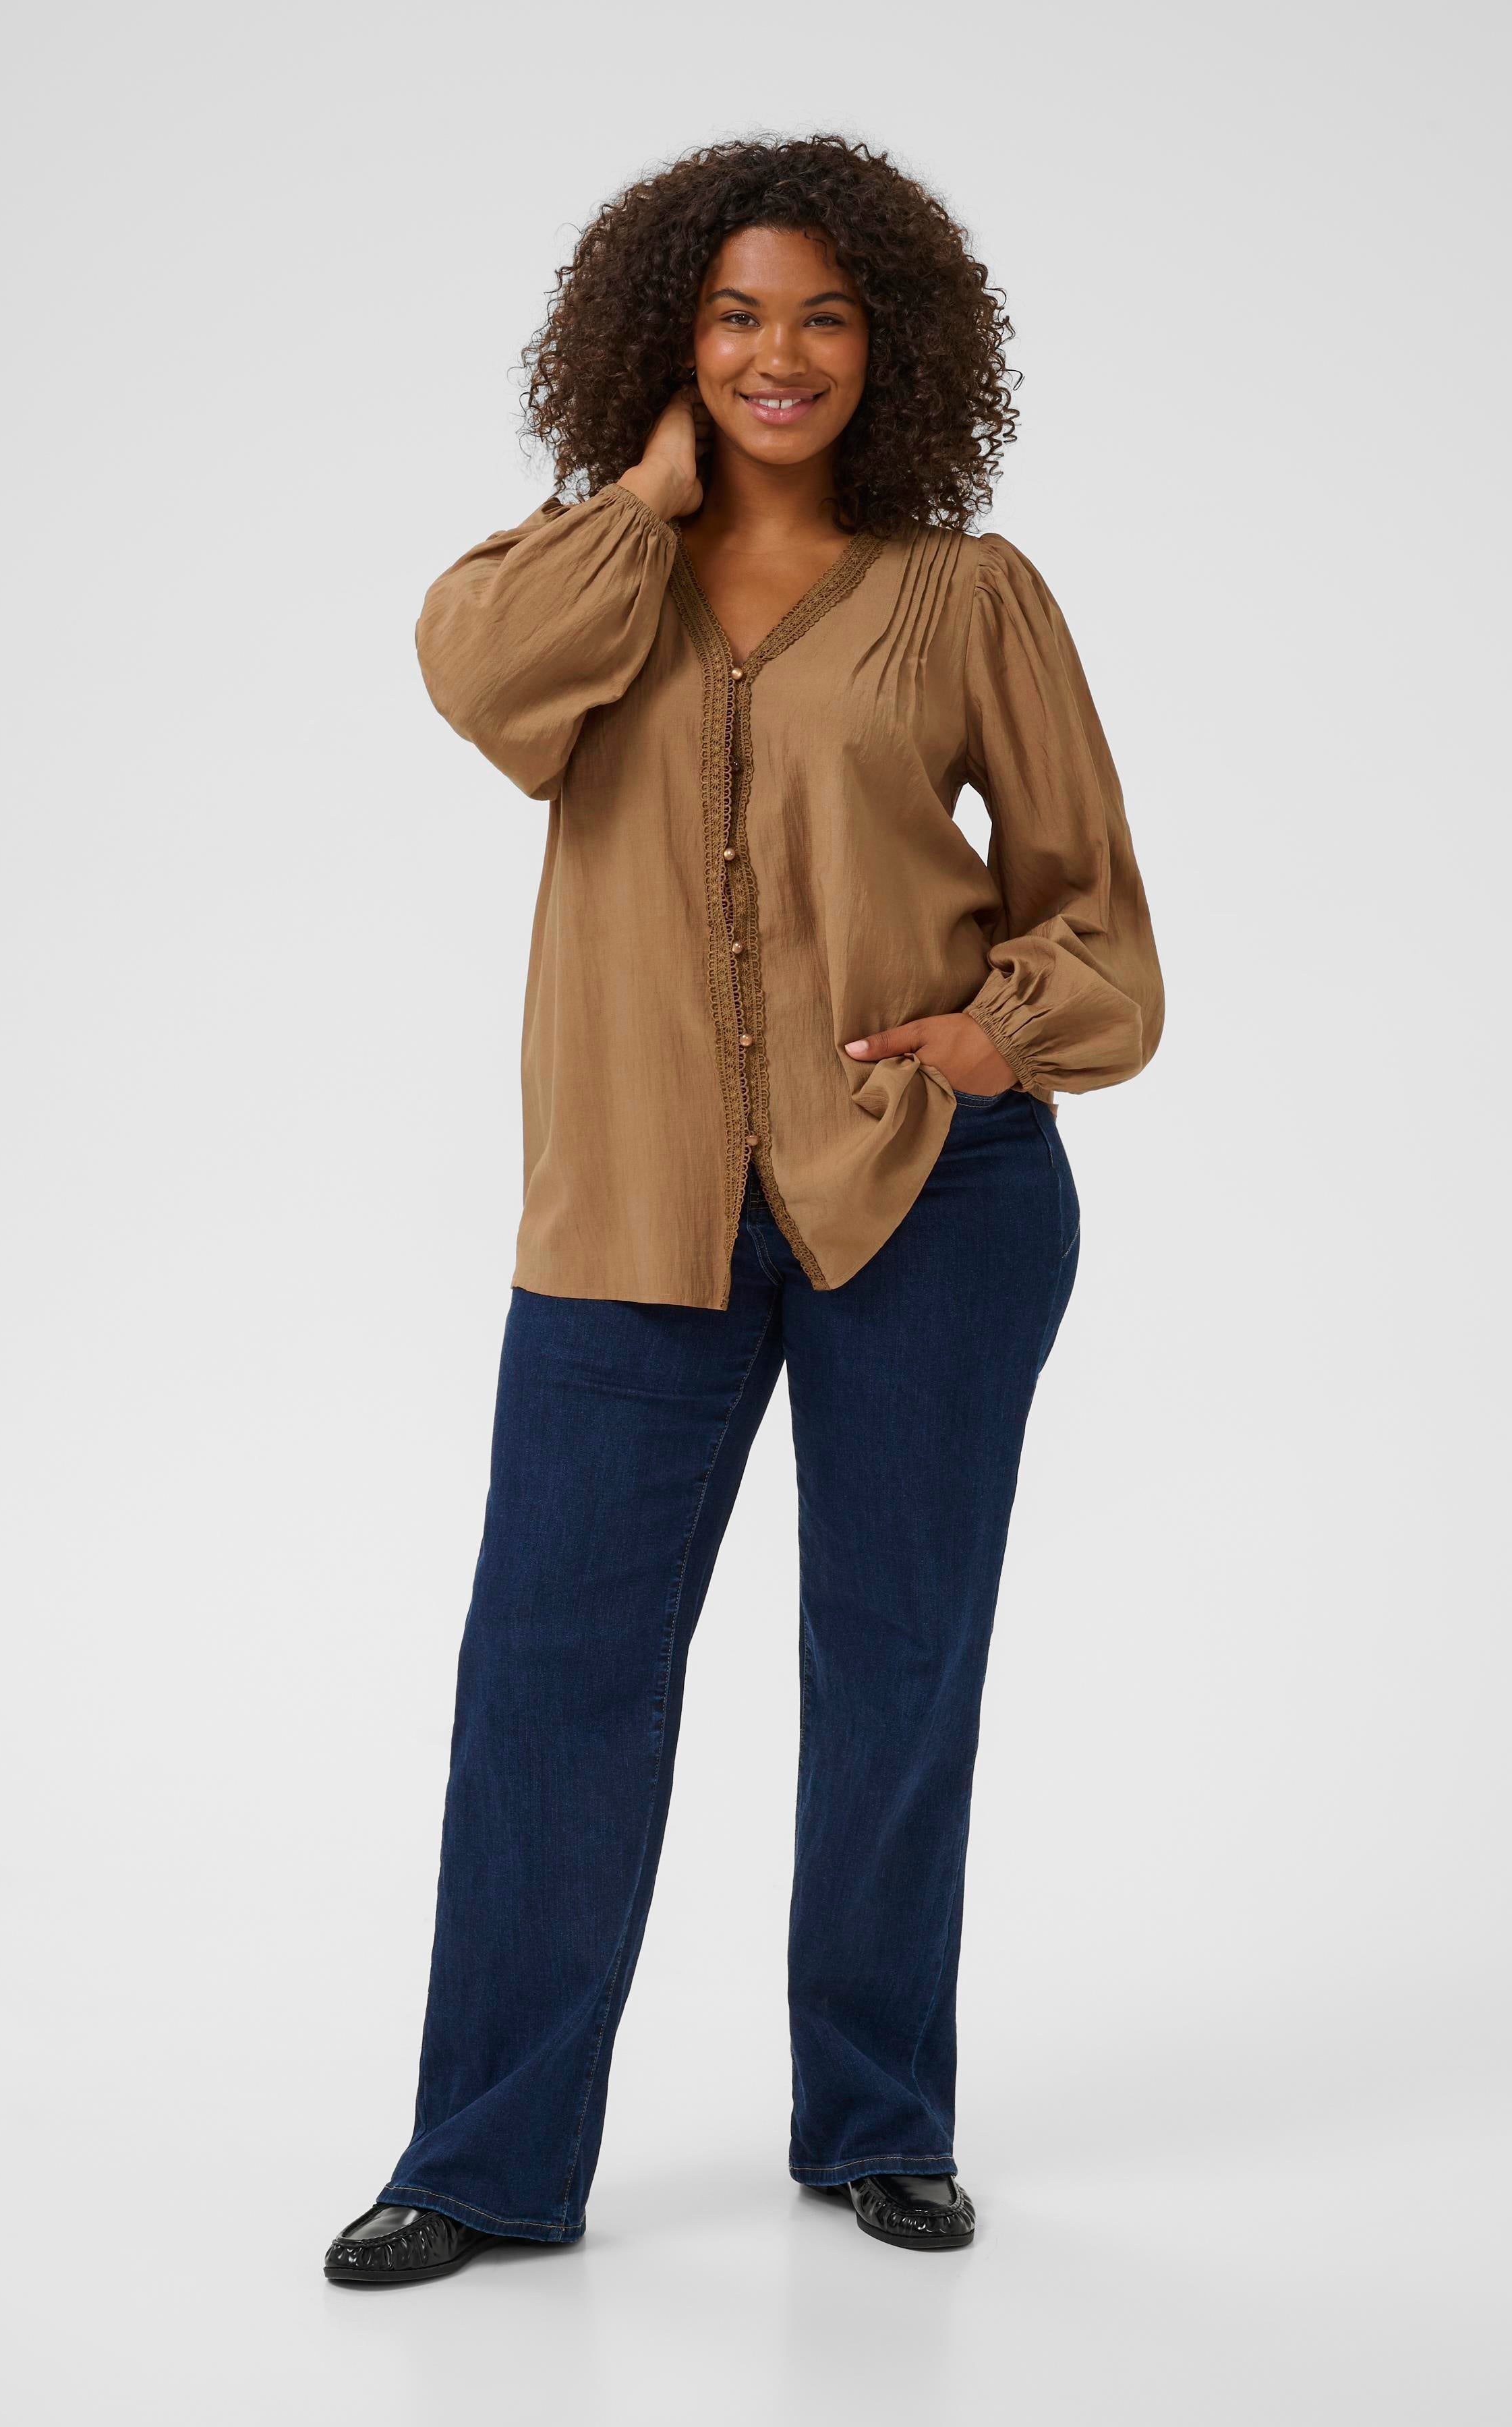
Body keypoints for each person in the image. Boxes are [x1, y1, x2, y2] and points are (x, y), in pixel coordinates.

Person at [324, 133, 1162, 2287]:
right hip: (632, 1217)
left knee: (897, 1671)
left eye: (823, 316)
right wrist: (645, 495)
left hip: (934, 1196)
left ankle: (881, 2123)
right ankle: (484, 2163)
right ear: (665, 342)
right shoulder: (581, 579)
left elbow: (1097, 923)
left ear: (894, 344)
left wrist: (994, 1037)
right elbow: (479, 689)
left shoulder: (969, 593)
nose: (780, 354)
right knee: (551, 1675)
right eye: (733, 316)